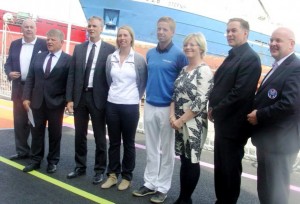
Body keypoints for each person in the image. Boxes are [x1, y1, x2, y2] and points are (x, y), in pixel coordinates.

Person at [132, 16, 188, 203]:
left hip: (167, 108)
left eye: (165, 29)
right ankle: (150, 183)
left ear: (172, 32)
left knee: (167, 149)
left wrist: (177, 112)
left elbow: (183, 83)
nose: (161, 32)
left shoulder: (180, 55)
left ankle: (162, 188)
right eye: (159, 29)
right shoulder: (150, 54)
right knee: (151, 147)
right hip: (149, 105)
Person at [208, 18, 261, 204]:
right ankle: (220, 201)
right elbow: (220, 84)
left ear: (245, 33)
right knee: (221, 168)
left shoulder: (250, 59)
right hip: (224, 124)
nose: (229, 34)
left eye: (234, 31)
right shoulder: (233, 55)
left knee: (230, 171)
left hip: (234, 127)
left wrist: (215, 110)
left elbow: (240, 93)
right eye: (228, 31)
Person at [247, 27, 300, 204]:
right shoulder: (278, 66)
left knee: (276, 193)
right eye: (271, 40)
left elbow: (289, 104)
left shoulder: (296, 68)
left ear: (291, 44)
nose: (272, 44)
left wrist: (259, 115)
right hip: (269, 140)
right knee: (265, 189)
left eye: (278, 40)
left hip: (281, 143)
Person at [66, 16, 115, 184]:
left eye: (95, 26)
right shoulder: (79, 49)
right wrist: (69, 99)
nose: (91, 28)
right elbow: (72, 74)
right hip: (80, 97)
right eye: (89, 25)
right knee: (80, 134)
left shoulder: (110, 50)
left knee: (100, 136)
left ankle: (100, 170)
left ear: (101, 29)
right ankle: (80, 166)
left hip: (98, 98)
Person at [101, 25, 147, 191]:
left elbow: (142, 82)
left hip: (130, 106)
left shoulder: (139, 59)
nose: (122, 38)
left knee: (128, 143)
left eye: (125, 35)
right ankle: (112, 175)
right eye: (119, 35)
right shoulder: (110, 57)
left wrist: (134, 96)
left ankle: (127, 176)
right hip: (112, 104)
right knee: (113, 142)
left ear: (131, 38)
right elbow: (109, 79)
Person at [170, 33, 213, 204]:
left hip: (193, 125)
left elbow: (201, 101)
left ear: (201, 48)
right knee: (184, 160)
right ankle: (183, 197)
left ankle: (186, 199)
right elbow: (175, 94)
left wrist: (180, 120)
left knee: (192, 161)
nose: (188, 47)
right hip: (178, 122)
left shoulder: (204, 71)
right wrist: (173, 116)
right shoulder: (184, 69)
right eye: (186, 44)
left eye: (192, 44)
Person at [22, 29, 71, 173]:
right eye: (48, 39)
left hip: (56, 103)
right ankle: (36, 160)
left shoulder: (68, 60)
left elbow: (70, 82)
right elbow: (30, 77)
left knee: (55, 134)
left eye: (53, 39)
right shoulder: (38, 57)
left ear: (61, 42)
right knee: (36, 132)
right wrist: (26, 97)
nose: (49, 41)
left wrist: (67, 100)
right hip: (37, 102)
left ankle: (53, 161)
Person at [4, 19, 47, 160]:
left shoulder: (43, 45)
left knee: (35, 122)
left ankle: (35, 154)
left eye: (31, 27)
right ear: (21, 29)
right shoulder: (15, 44)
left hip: (35, 90)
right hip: (18, 88)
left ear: (36, 29)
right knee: (19, 122)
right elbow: (8, 64)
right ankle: (22, 151)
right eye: (26, 27)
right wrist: (9, 73)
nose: (29, 29)